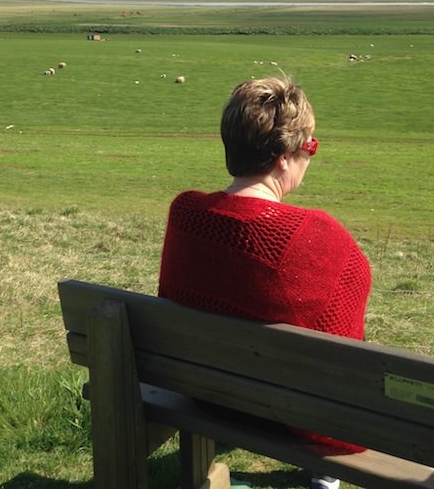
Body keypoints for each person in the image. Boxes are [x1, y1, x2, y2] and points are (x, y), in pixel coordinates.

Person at [158, 75, 372, 489]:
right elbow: (347, 341)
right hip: (287, 412)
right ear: (283, 157)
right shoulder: (319, 236)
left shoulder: (185, 214)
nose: (311, 155)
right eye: (310, 146)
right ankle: (325, 474)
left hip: (205, 394)